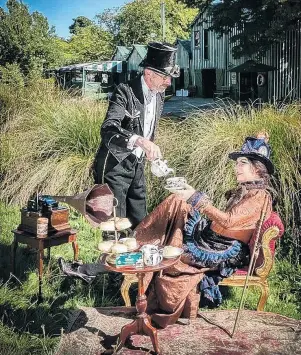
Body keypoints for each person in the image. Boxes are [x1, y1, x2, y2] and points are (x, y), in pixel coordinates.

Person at [59, 133, 275, 327]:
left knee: (171, 246)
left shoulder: (260, 196)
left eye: (242, 163)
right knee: (175, 202)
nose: (236, 167)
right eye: (237, 163)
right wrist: (188, 195)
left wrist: (195, 197)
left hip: (223, 248)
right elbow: (224, 221)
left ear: (257, 168)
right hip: (213, 236)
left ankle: (120, 255)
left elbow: (228, 222)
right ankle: (132, 245)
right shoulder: (248, 191)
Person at [93, 42, 180, 228]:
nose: (169, 82)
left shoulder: (159, 94)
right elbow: (108, 128)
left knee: (141, 222)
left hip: (137, 165)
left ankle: (138, 255)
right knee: (116, 226)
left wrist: (150, 155)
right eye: (166, 77)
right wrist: (140, 141)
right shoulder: (124, 91)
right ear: (149, 73)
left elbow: (147, 127)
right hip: (114, 167)